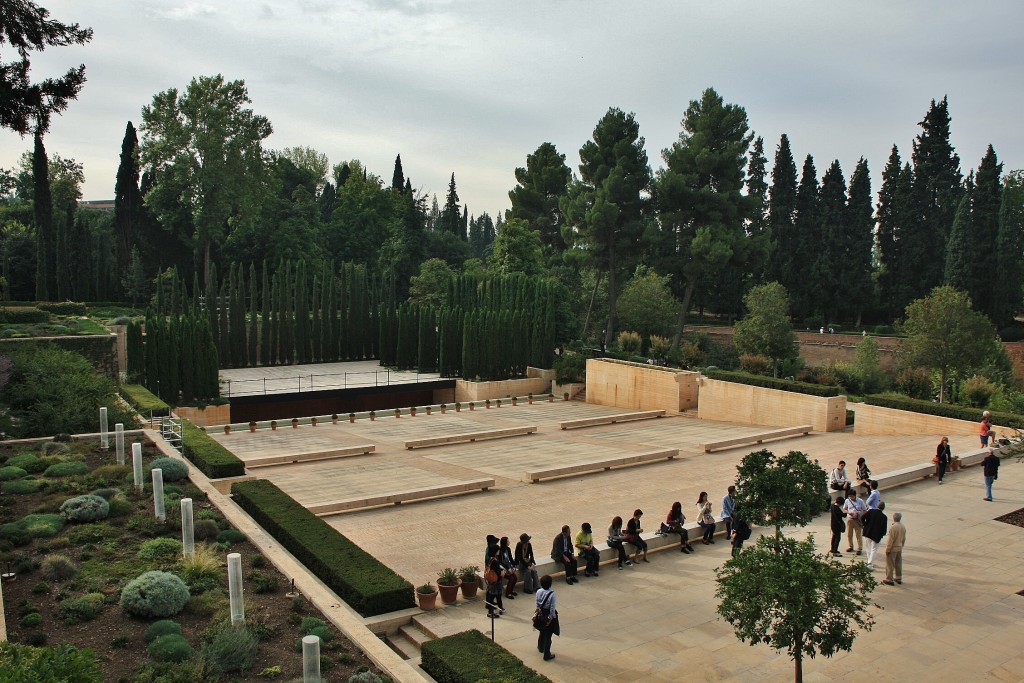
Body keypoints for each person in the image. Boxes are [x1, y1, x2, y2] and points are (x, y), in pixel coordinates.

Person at [534, 575, 559, 661]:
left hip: (541, 614)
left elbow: (537, 604)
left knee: (542, 631)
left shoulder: (538, 591)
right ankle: (547, 654)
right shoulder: (552, 594)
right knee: (548, 635)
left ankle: (541, 647)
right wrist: (551, 618)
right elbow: (552, 607)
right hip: (548, 614)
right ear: (550, 584)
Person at [882, 512, 906, 585]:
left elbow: (890, 540)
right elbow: (904, 538)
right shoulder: (903, 526)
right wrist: (902, 546)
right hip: (899, 547)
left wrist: (888, 549)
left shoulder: (893, 527)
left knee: (890, 564)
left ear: (893, 518)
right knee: (898, 563)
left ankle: (889, 579)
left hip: (893, 548)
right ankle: (898, 577)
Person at [862, 501, 887, 568]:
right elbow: (884, 530)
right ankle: (870, 563)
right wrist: (882, 534)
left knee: (868, 548)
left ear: (877, 506)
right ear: (883, 508)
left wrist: (865, 525)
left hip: (868, 532)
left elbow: (862, 517)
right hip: (876, 535)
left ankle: (869, 561)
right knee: (874, 549)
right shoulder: (884, 517)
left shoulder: (871, 511)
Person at [844, 490, 867, 555]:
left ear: (855, 495)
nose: (851, 498)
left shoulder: (860, 501)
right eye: (849, 496)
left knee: (858, 535)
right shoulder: (847, 500)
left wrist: (858, 514)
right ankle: (850, 546)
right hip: (850, 519)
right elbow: (845, 509)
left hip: (857, 520)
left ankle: (859, 548)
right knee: (849, 534)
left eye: (852, 496)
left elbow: (865, 510)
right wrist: (849, 512)